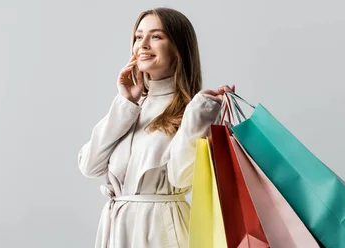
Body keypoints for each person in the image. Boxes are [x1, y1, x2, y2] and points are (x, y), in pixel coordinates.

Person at [77, 7, 235, 248]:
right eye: (138, 37)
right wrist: (126, 102)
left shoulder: (195, 109)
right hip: (117, 231)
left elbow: (181, 178)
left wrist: (199, 114)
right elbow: (89, 165)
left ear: (178, 48)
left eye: (156, 36)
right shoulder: (131, 106)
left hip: (161, 232)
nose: (143, 44)